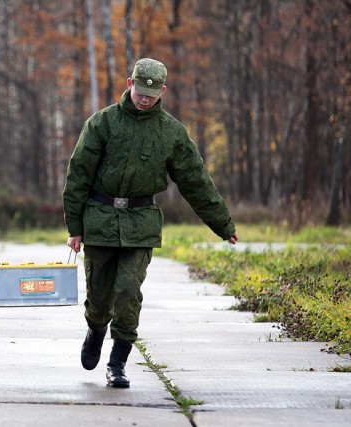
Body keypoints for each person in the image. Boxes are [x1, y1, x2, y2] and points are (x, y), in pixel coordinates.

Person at [63, 58, 238, 388]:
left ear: (162, 91)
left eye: (152, 93)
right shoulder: (102, 123)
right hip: (99, 219)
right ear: (130, 83)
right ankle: (95, 329)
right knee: (99, 299)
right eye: (140, 91)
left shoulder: (171, 133)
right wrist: (75, 227)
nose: (145, 98)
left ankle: (117, 363)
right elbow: (78, 176)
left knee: (128, 292)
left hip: (140, 222)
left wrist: (222, 223)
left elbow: (194, 180)